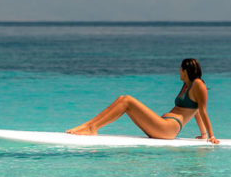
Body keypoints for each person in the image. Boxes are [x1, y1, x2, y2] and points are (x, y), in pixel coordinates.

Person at [66, 58, 220, 144]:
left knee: (127, 100)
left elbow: (202, 110)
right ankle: (89, 125)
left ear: (185, 70)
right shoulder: (187, 85)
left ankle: (92, 128)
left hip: (168, 129)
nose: (178, 72)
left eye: (180, 69)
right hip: (163, 126)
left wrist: (210, 136)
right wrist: (202, 134)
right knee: (122, 99)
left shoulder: (199, 85)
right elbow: (195, 111)